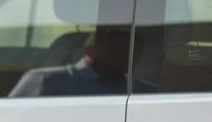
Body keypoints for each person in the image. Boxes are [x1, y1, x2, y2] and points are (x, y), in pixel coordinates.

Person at [8, 26, 155, 97]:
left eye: (135, 51)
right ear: (89, 49)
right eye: (117, 49)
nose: (127, 56)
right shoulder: (46, 81)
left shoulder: (143, 92)